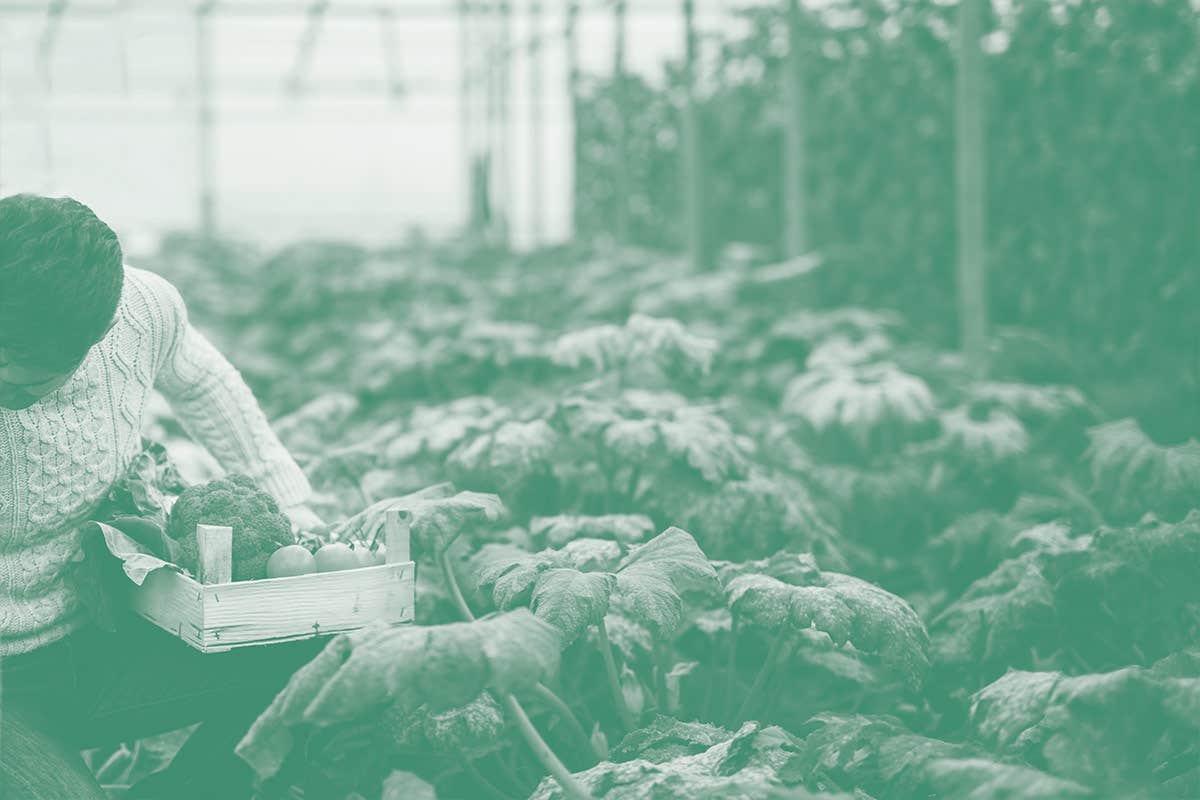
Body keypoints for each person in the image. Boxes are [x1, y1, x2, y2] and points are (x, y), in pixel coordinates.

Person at [0, 194, 327, 798]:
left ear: (92, 340)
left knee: (318, 655)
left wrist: (292, 501)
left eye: (20, 372)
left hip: (98, 636)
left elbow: (202, 381)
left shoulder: (141, 311)